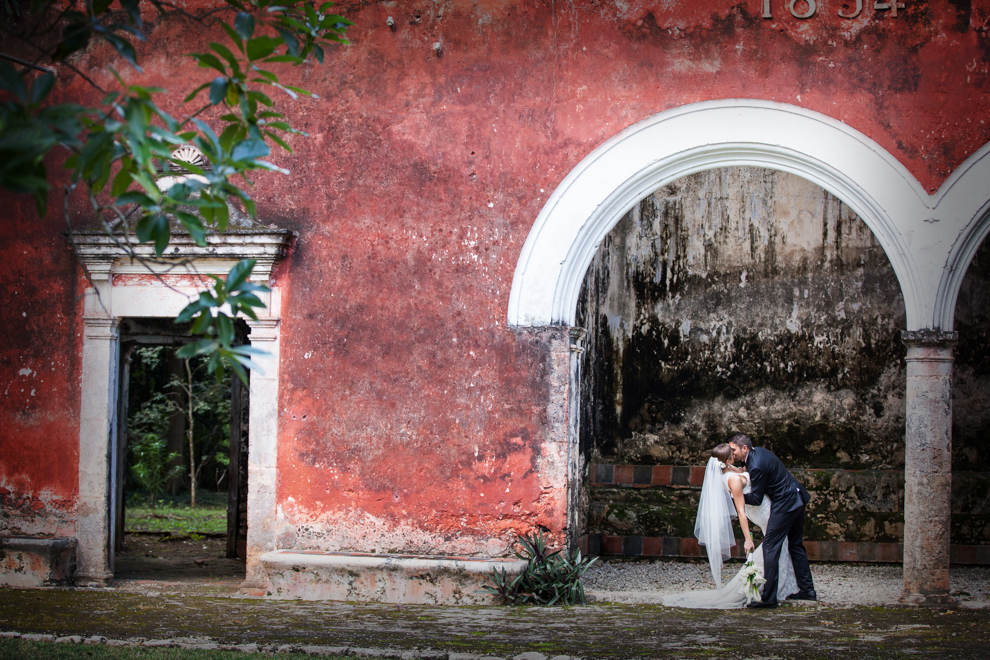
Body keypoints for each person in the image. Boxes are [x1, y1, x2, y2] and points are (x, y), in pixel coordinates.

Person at [663, 442, 800, 609]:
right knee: (773, 547)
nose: (735, 455)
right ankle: (768, 589)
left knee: (777, 546)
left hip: (765, 509)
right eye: (732, 454)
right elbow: (741, 512)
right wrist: (748, 539)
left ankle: (776, 588)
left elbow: (741, 473)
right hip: (765, 513)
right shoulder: (733, 479)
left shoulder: (727, 473)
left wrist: (739, 470)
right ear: (727, 461)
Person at [729, 432, 817, 608]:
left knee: (770, 547)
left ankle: (769, 598)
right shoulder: (758, 453)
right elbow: (750, 470)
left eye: (734, 450)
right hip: (797, 499)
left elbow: (756, 499)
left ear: (744, 448)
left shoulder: (757, 465)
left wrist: (734, 496)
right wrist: (739, 471)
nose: (733, 454)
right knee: (795, 545)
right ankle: (808, 590)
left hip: (786, 504)